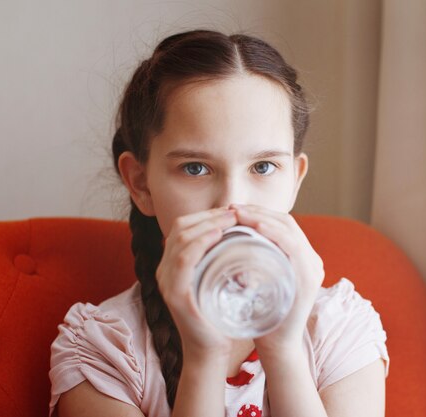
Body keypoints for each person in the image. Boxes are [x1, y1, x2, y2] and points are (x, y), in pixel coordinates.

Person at [49, 29, 389, 417]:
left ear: (294, 178)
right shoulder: (102, 347)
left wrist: (283, 349)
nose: (232, 202)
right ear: (141, 184)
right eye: (195, 168)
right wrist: (203, 358)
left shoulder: (340, 327)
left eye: (262, 167)